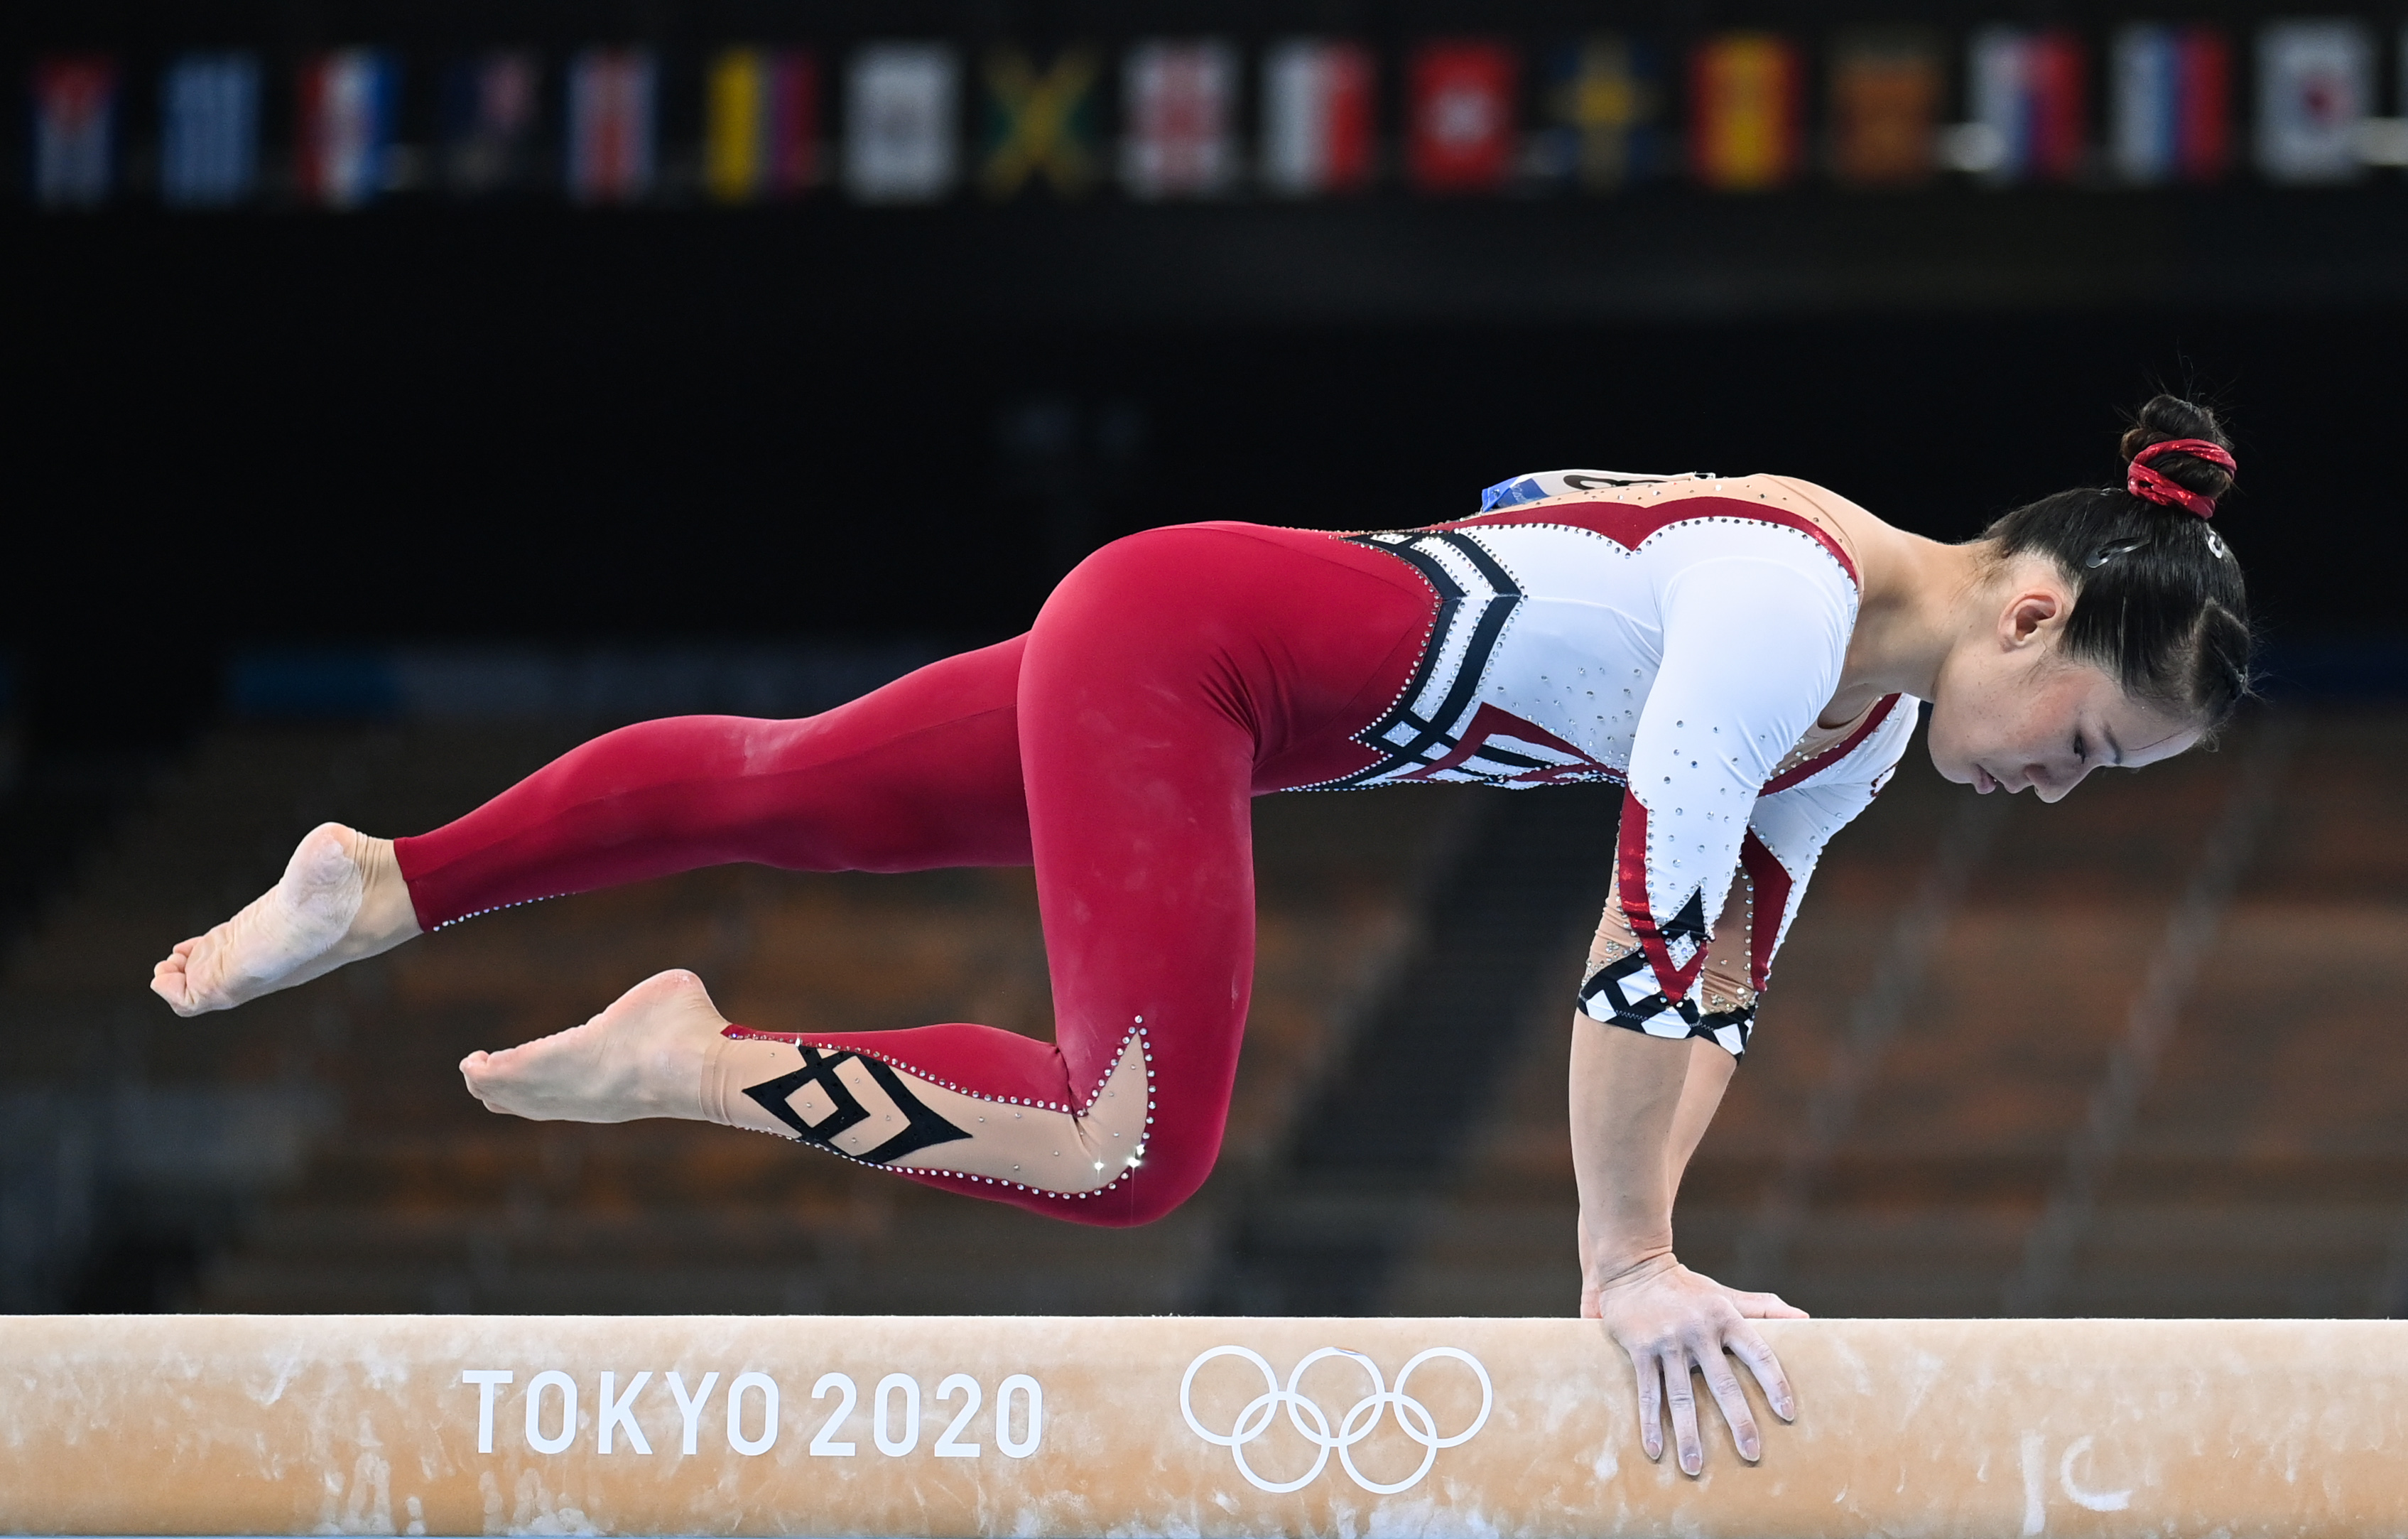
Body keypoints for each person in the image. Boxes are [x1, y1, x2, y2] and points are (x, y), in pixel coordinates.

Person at [151, 394, 2249, 1478]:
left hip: (1208, 680)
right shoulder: (1790, 601)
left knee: (801, 789)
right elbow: (1645, 929)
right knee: (1125, 1145)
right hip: (1198, 661)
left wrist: (1653, 1243)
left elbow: (1708, 999)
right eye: (2087, 742)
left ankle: (387, 878)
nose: (2061, 789)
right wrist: (1623, 1262)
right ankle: (687, 1062)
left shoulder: (1856, 725)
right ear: (2032, 611)